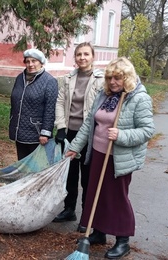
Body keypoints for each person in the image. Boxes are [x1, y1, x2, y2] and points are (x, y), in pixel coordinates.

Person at [65, 57, 155, 259]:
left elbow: (147, 130)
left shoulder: (139, 98)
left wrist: (121, 135)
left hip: (119, 157)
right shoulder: (104, 95)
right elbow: (89, 124)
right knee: (95, 193)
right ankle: (98, 232)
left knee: (116, 197)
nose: (113, 82)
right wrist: (75, 147)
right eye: (109, 78)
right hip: (98, 152)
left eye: (118, 78)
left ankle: (123, 241)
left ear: (128, 78)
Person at [53, 42, 104, 233]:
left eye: (86, 54)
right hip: (69, 133)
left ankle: (86, 215)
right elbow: (60, 102)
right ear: (75, 58)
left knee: (88, 177)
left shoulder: (101, 79)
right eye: (79, 55)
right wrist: (60, 127)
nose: (82, 58)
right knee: (70, 173)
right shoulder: (67, 79)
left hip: (91, 134)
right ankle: (69, 209)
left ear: (92, 57)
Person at [9, 49, 58, 160]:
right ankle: (24, 178)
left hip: (36, 133)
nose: (30, 64)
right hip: (19, 130)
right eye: (27, 61)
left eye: (34, 61)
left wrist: (45, 132)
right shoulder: (20, 78)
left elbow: (50, 109)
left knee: (36, 166)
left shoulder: (49, 81)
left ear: (41, 62)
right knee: (22, 163)